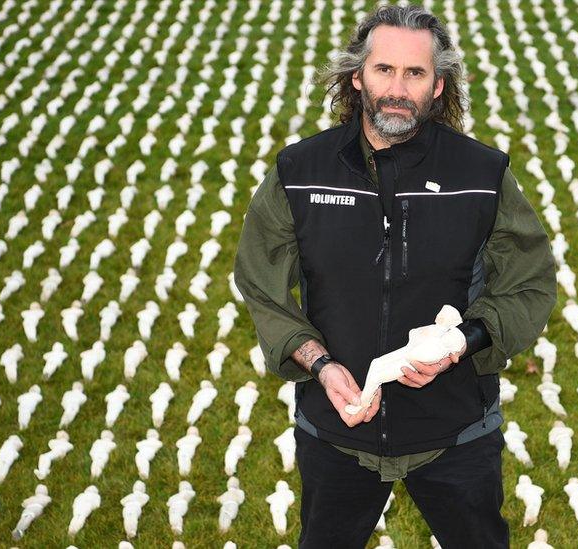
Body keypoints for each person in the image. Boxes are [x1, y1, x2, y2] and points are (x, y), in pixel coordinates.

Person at [234, 4, 557, 547]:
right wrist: (321, 364)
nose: (398, 88)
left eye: (416, 73)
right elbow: (261, 283)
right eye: (384, 70)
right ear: (356, 77)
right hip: (337, 427)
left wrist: (462, 342)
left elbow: (528, 282)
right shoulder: (300, 172)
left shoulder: (482, 175)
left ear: (437, 86)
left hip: (455, 429)